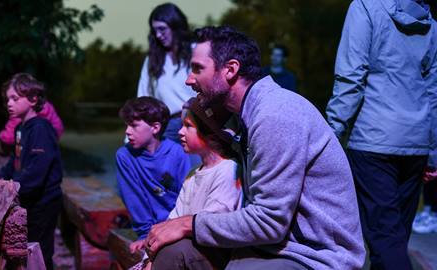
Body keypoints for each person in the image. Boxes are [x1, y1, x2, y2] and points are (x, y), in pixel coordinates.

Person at [144, 26, 365, 270]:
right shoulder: (244, 115)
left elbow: (270, 222)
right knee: (174, 253)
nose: (189, 80)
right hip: (272, 245)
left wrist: (188, 224)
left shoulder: (275, 115)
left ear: (230, 69)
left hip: (313, 255)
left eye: (197, 68)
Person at [326, 0, 437, 268]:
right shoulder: (427, 18)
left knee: (385, 239)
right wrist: (432, 152)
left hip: (373, 140)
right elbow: (433, 90)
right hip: (416, 143)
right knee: (395, 239)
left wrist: (329, 134)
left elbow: (351, 77)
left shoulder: (364, 7)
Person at [130, 97, 242, 270]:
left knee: (173, 251)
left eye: (188, 126)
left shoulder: (227, 170)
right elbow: (173, 219)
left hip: (212, 257)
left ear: (210, 131)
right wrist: (148, 259)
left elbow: (213, 225)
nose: (180, 132)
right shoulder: (193, 174)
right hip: (188, 250)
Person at [0, 73, 63, 270]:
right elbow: (15, 162)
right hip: (28, 199)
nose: (9, 103)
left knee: (40, 251)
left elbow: (37, 171)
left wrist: (12, 188)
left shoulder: (41, 129)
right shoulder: (20, 128)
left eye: (15, 99)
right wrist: (0, 178)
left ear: (33, 99)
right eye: (7, 99)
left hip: (44, 201)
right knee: (23, 249)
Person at [115, 97, 190, 243]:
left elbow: (186, 196)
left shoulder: (178, 153)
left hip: (178, 226)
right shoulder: (125, 156)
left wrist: (177, 227)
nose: (127, 131)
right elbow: (133, 198)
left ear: (155, 128)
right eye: (126, 125)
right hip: (149, 230)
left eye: (133, 126)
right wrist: (144, 234)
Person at [136, 3, 196, 143]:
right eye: (154, 31)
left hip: (198, 122)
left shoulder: (196, 51)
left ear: (175, 26)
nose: (158, 35)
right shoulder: (152, 60)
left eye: (162, 29)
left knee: (198, 164)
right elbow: (143, 97)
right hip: (167, 126)